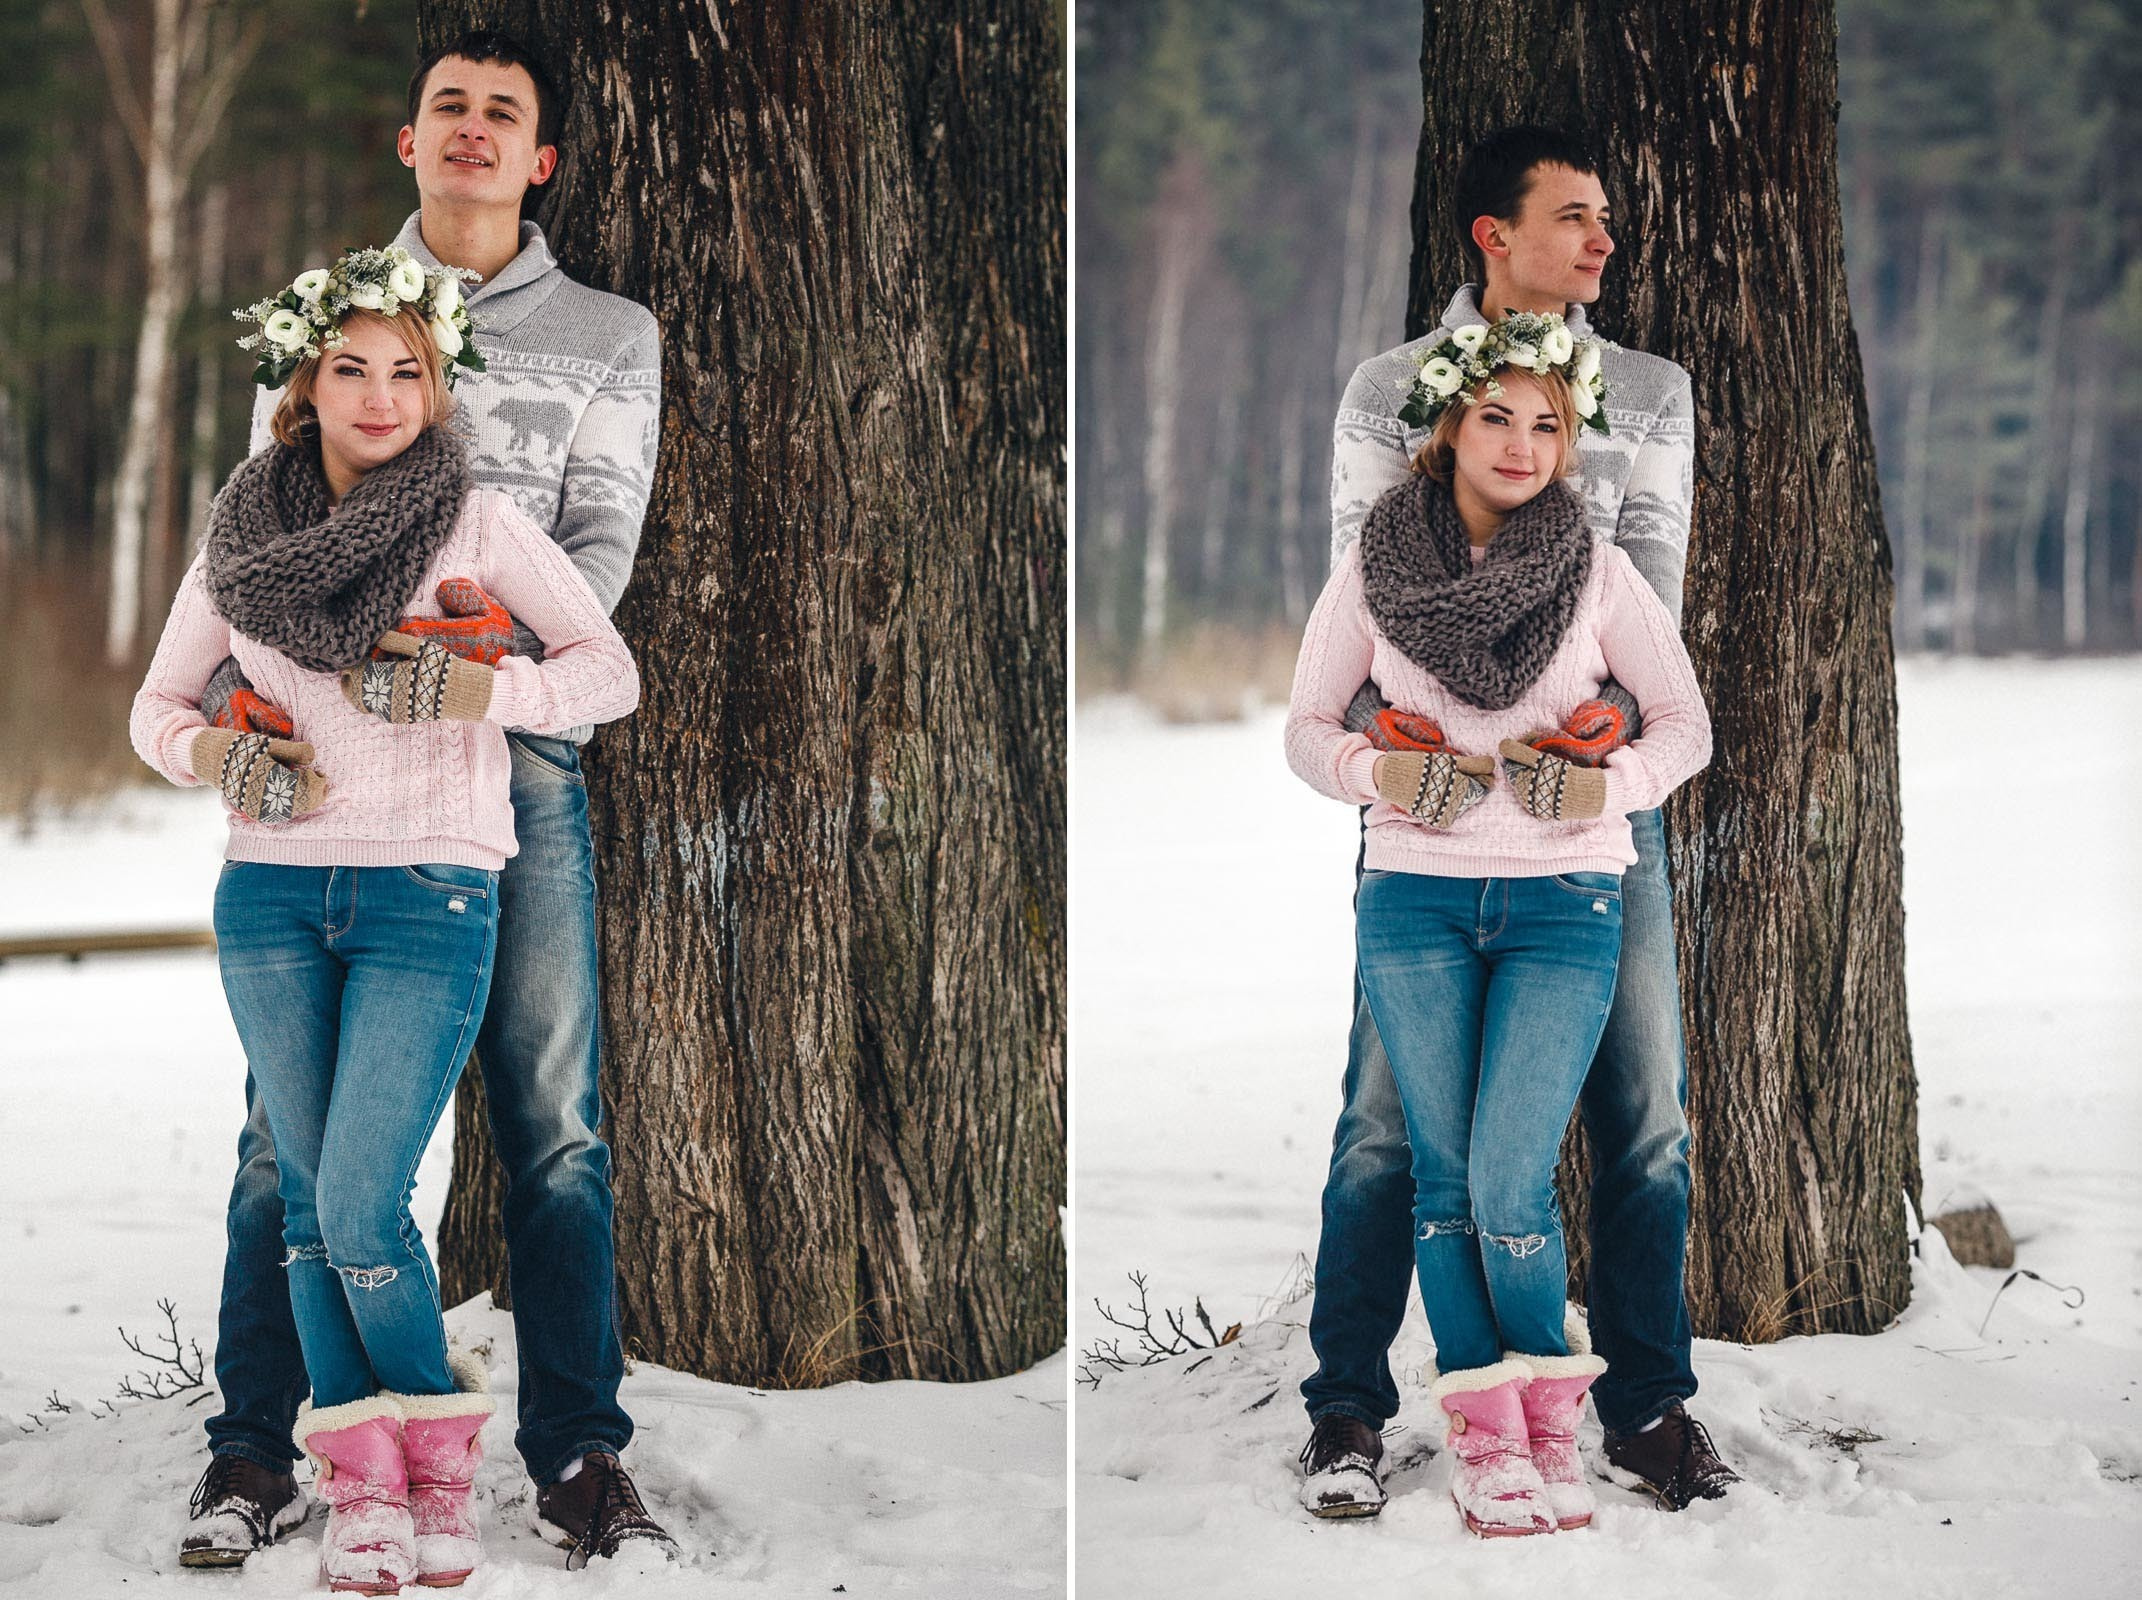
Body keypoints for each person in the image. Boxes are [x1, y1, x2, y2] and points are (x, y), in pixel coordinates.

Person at [173, 30, 676, 1571]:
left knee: (555, 1121)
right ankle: (260, 1444)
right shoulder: (327, 313)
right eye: (445, 106)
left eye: (502, 114)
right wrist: (256, 701)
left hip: (509, 759)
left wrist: (476, 662)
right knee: (292, 1142)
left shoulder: (608, 332)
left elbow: (600, 546)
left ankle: (577, 1453)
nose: (470, 130)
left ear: (540, 160)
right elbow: (262, 519)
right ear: (407, 141)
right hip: (324, 786)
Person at [1297, 125, 1743, 1520]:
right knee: (1386, 1132)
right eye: (1571, 216)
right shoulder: (1387, 390)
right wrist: (1384, 753)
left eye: (1607, 215)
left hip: (1592, 810)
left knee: (1644, 1119)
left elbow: (1647, 587)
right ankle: (1349, 1410)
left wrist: (1606, 736)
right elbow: (1366, 587)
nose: (1601, 240)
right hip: (1427, 825)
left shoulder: (1649, 393)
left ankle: (1643, 1405)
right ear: (1493, 236)